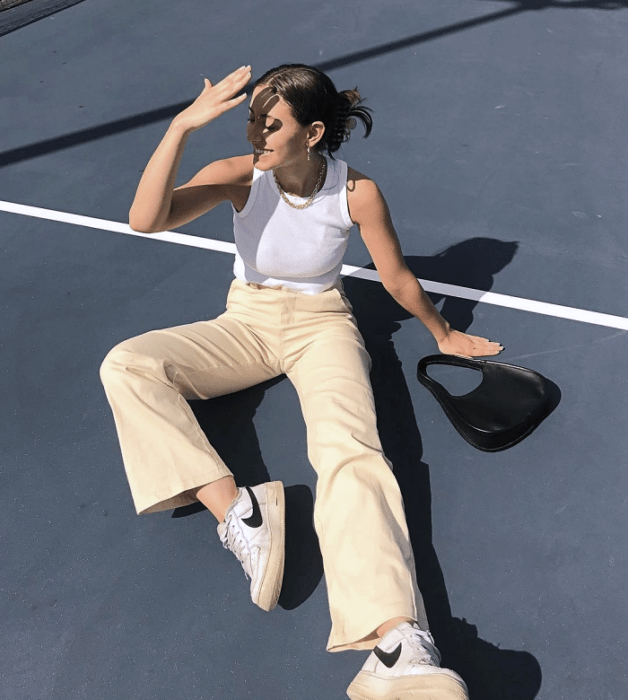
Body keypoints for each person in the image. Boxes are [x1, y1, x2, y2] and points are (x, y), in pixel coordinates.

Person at [100, 63, 503, 700]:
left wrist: (444, 333)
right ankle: (239, 510)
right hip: (248, 320)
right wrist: (180, 126)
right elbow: (147, 220)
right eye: (252, 120)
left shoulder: (356, 192)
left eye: (272, 122)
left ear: (313, 133)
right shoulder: (240, 175)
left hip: (323, 326)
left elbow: (396, 278)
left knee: (350, 452)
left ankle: (398, 640)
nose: (257, 131)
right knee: (127, 363)